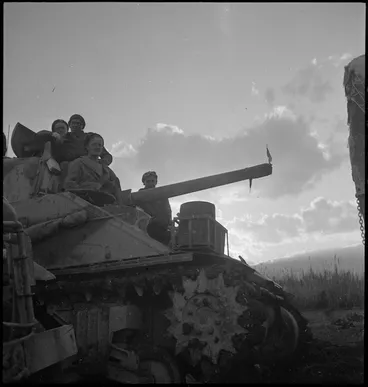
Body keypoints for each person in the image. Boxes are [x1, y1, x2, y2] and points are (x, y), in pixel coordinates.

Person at [63, 133, 121, 203]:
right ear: (87, 147)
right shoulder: (78, 163)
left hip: (106, 204)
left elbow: (116, 188)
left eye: (100, 145)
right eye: (94, 144)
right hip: (82, 202)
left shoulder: (107, 170)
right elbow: (69, 185)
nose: (97, 147)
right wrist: (91, 187)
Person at [137, 171, 172, 245]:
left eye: (152, 181)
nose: (150, 183)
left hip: (161, 226)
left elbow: (168, 210)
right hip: (147, 226)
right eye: (148, 181)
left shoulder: (161, 194)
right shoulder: (140, 194)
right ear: (144, 182)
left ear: (156, 182)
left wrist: (169, 223)